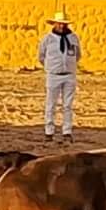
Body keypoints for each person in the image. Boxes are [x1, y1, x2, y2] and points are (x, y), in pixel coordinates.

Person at [38, 10, 81, 143]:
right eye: (59, 23)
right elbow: (41, 56)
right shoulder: (48, 39)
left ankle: (67, 131)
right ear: (55, 24)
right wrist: (51, 66)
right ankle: (49, 131)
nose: (61, 26)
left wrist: (69, 65)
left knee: (67, 105)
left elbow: (78, 55)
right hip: (53, 75)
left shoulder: (73, 38)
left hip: (69, 75)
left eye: (64, 24)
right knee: (51, 104)